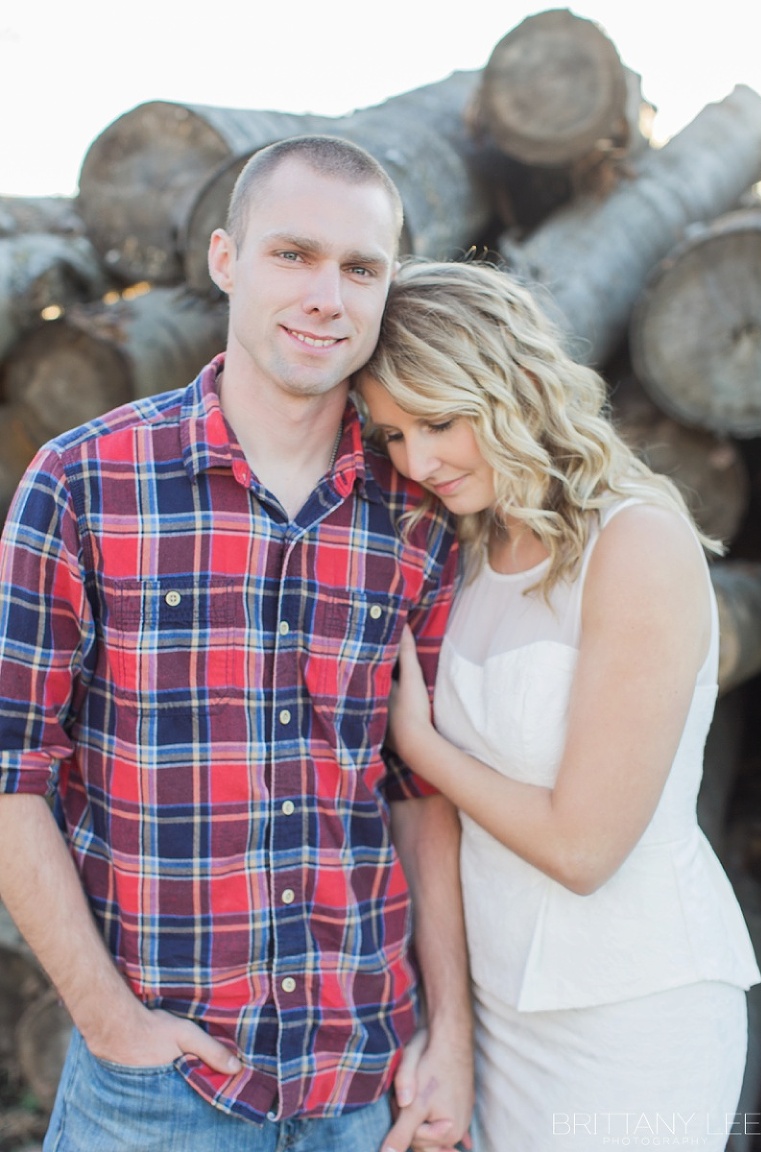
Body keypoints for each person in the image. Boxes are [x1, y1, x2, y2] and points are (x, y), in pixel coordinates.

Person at [0, 139, 474, 1152]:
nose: (326, 297)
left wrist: (453, 1032)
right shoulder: (84, 484)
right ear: (225, 259)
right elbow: (11, 771)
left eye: (360, 268)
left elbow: (421, 794)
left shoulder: (418, 516)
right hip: (157, 1094)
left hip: (366, 1087)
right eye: (293, 255)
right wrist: (108, 1021)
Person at [354, 257, 761, 1152]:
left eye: (439, 422)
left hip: (630, 1011)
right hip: (497, 1013)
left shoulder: (636, 542)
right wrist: (449, 1021)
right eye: (392, 435)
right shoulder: (463, 554)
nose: (418, 461)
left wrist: (420, 745)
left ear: (512, 387)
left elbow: (584, 850)